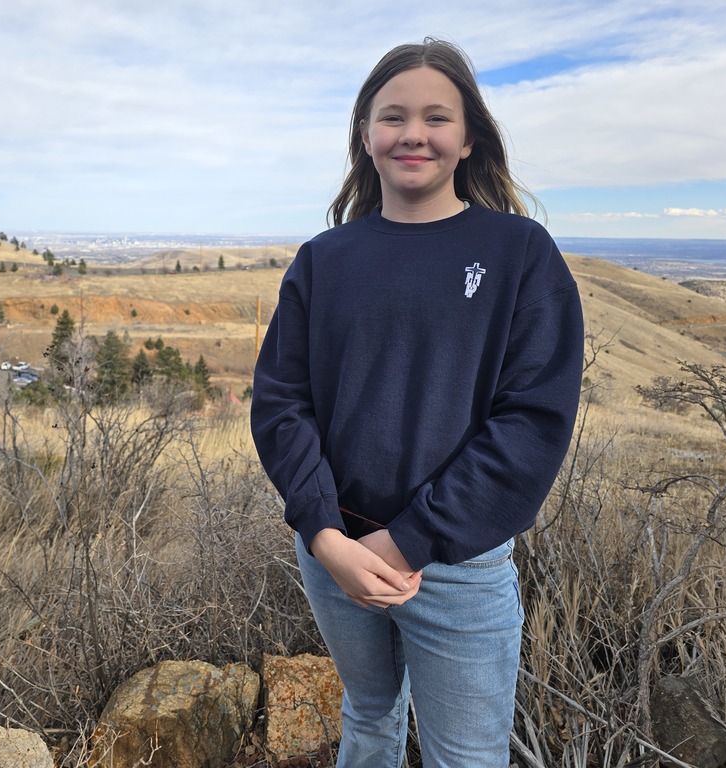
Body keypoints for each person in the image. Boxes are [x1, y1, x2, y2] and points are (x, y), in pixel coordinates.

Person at [250, 38, 583, 767]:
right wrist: (326, 537)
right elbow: (281, 402)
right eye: (392, 116)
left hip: (457, 563)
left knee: (464, 755)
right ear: (365, 136)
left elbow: (533, 423)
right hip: (334, 554)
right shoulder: (324, 260)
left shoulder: (520, 253)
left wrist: (408, 540)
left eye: (437, 117)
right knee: (369, 717)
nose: (413, 134)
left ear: (468, 139)